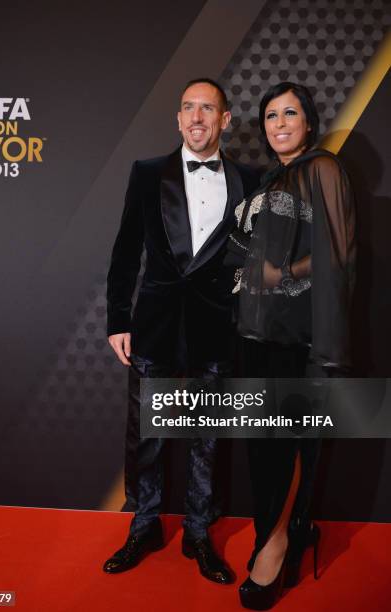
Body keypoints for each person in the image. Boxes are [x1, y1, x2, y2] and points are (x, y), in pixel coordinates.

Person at [104, 78, 259, 583]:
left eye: (208, 109)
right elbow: (127, 250)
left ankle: (199, 531)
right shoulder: (147, 174)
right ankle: (144, 525)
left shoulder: (249, 181)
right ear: (177, 118)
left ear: (225, 120)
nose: (197, 117)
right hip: (154, 326)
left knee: (206, 437)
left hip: (216, 328)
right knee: (146, 434)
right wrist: (117, 320)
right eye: (188, 108)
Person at [226, 82, 356, 609]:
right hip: (252, 333)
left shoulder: (323, 168)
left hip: (295, 335)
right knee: (261, 448)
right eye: (271, 116)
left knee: (285, 442)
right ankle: (283, 529)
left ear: (308, 121)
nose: (279, 123)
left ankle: (276, 544)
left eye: (290, 113)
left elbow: (339, 253)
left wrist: (279, 275)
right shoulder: (266, 181)